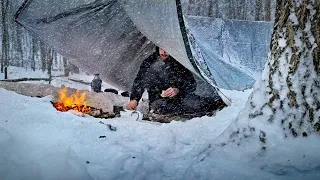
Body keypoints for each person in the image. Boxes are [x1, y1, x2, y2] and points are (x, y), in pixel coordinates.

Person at [126, 47, 226, 115]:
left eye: (167, 50)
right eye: (161, 49)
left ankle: (221, 106)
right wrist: (134, 99)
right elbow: (140, 81)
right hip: (158, 100)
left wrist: (177, 90)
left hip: (181, 98)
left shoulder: (178, 61)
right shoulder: (149, 62)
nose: (164, 53)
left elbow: (191, 84)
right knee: (159, 108)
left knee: (195, 104)